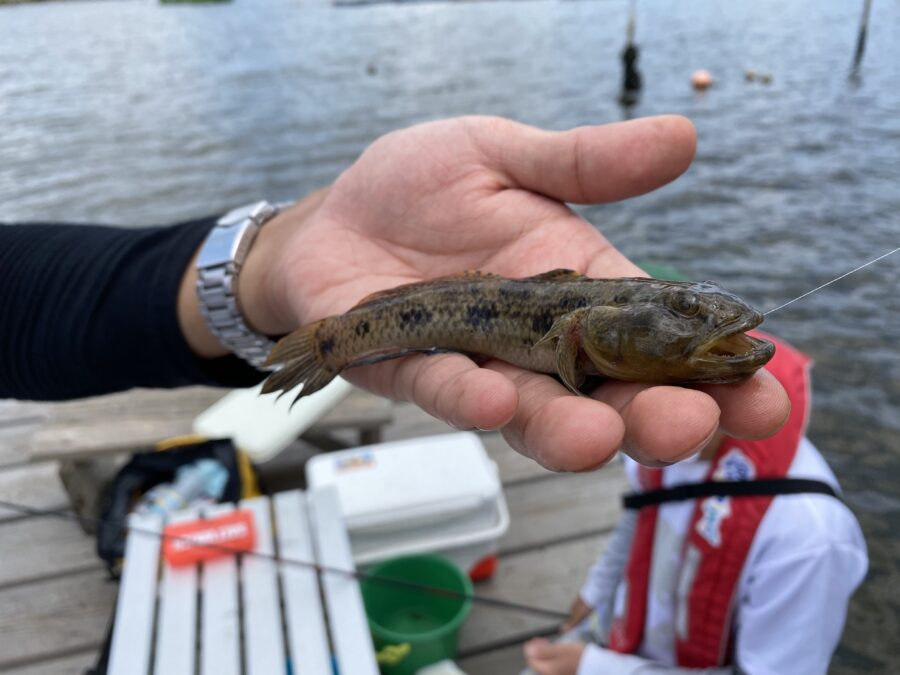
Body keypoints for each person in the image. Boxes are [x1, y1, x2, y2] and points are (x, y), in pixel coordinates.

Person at [0, 115, 789, 472]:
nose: (712, 333)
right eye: (686, 318)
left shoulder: (598, 313)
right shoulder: (582, 321)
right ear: (592, 334)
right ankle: (328, 342)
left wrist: (268, 265)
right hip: (416, 316)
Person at [522, 335, 868, 674]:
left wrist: (592, 667)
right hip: (621, 641)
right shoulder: (653, 438)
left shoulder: (811, 538)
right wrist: (595, 591)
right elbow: (639, 515)